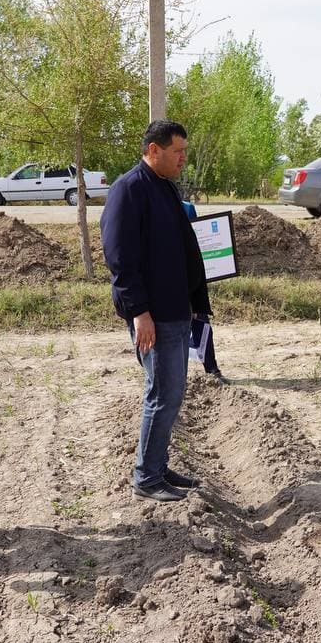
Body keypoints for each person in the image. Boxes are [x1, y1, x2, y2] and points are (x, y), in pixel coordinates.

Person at [101, 119, 209, 502]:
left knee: (173, 393)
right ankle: (146, 477)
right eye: (177, 151)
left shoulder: (164, 187)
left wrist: (197, 303)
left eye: (184, 151)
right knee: (162, 393)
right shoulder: (128, 191)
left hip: (176, 310)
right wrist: (139, 313)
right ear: (153, 151)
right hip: (155, 316)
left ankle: (158, 466)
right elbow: (120, 258)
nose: (183, 158)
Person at [180, 197, 226, 383]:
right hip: (162, 280)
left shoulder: (187, 209)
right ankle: (172, 377)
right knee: (170, 329)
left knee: (200, 319)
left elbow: (198, 241)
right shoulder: (147, 208)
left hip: (189, 275)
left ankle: (212, 369)